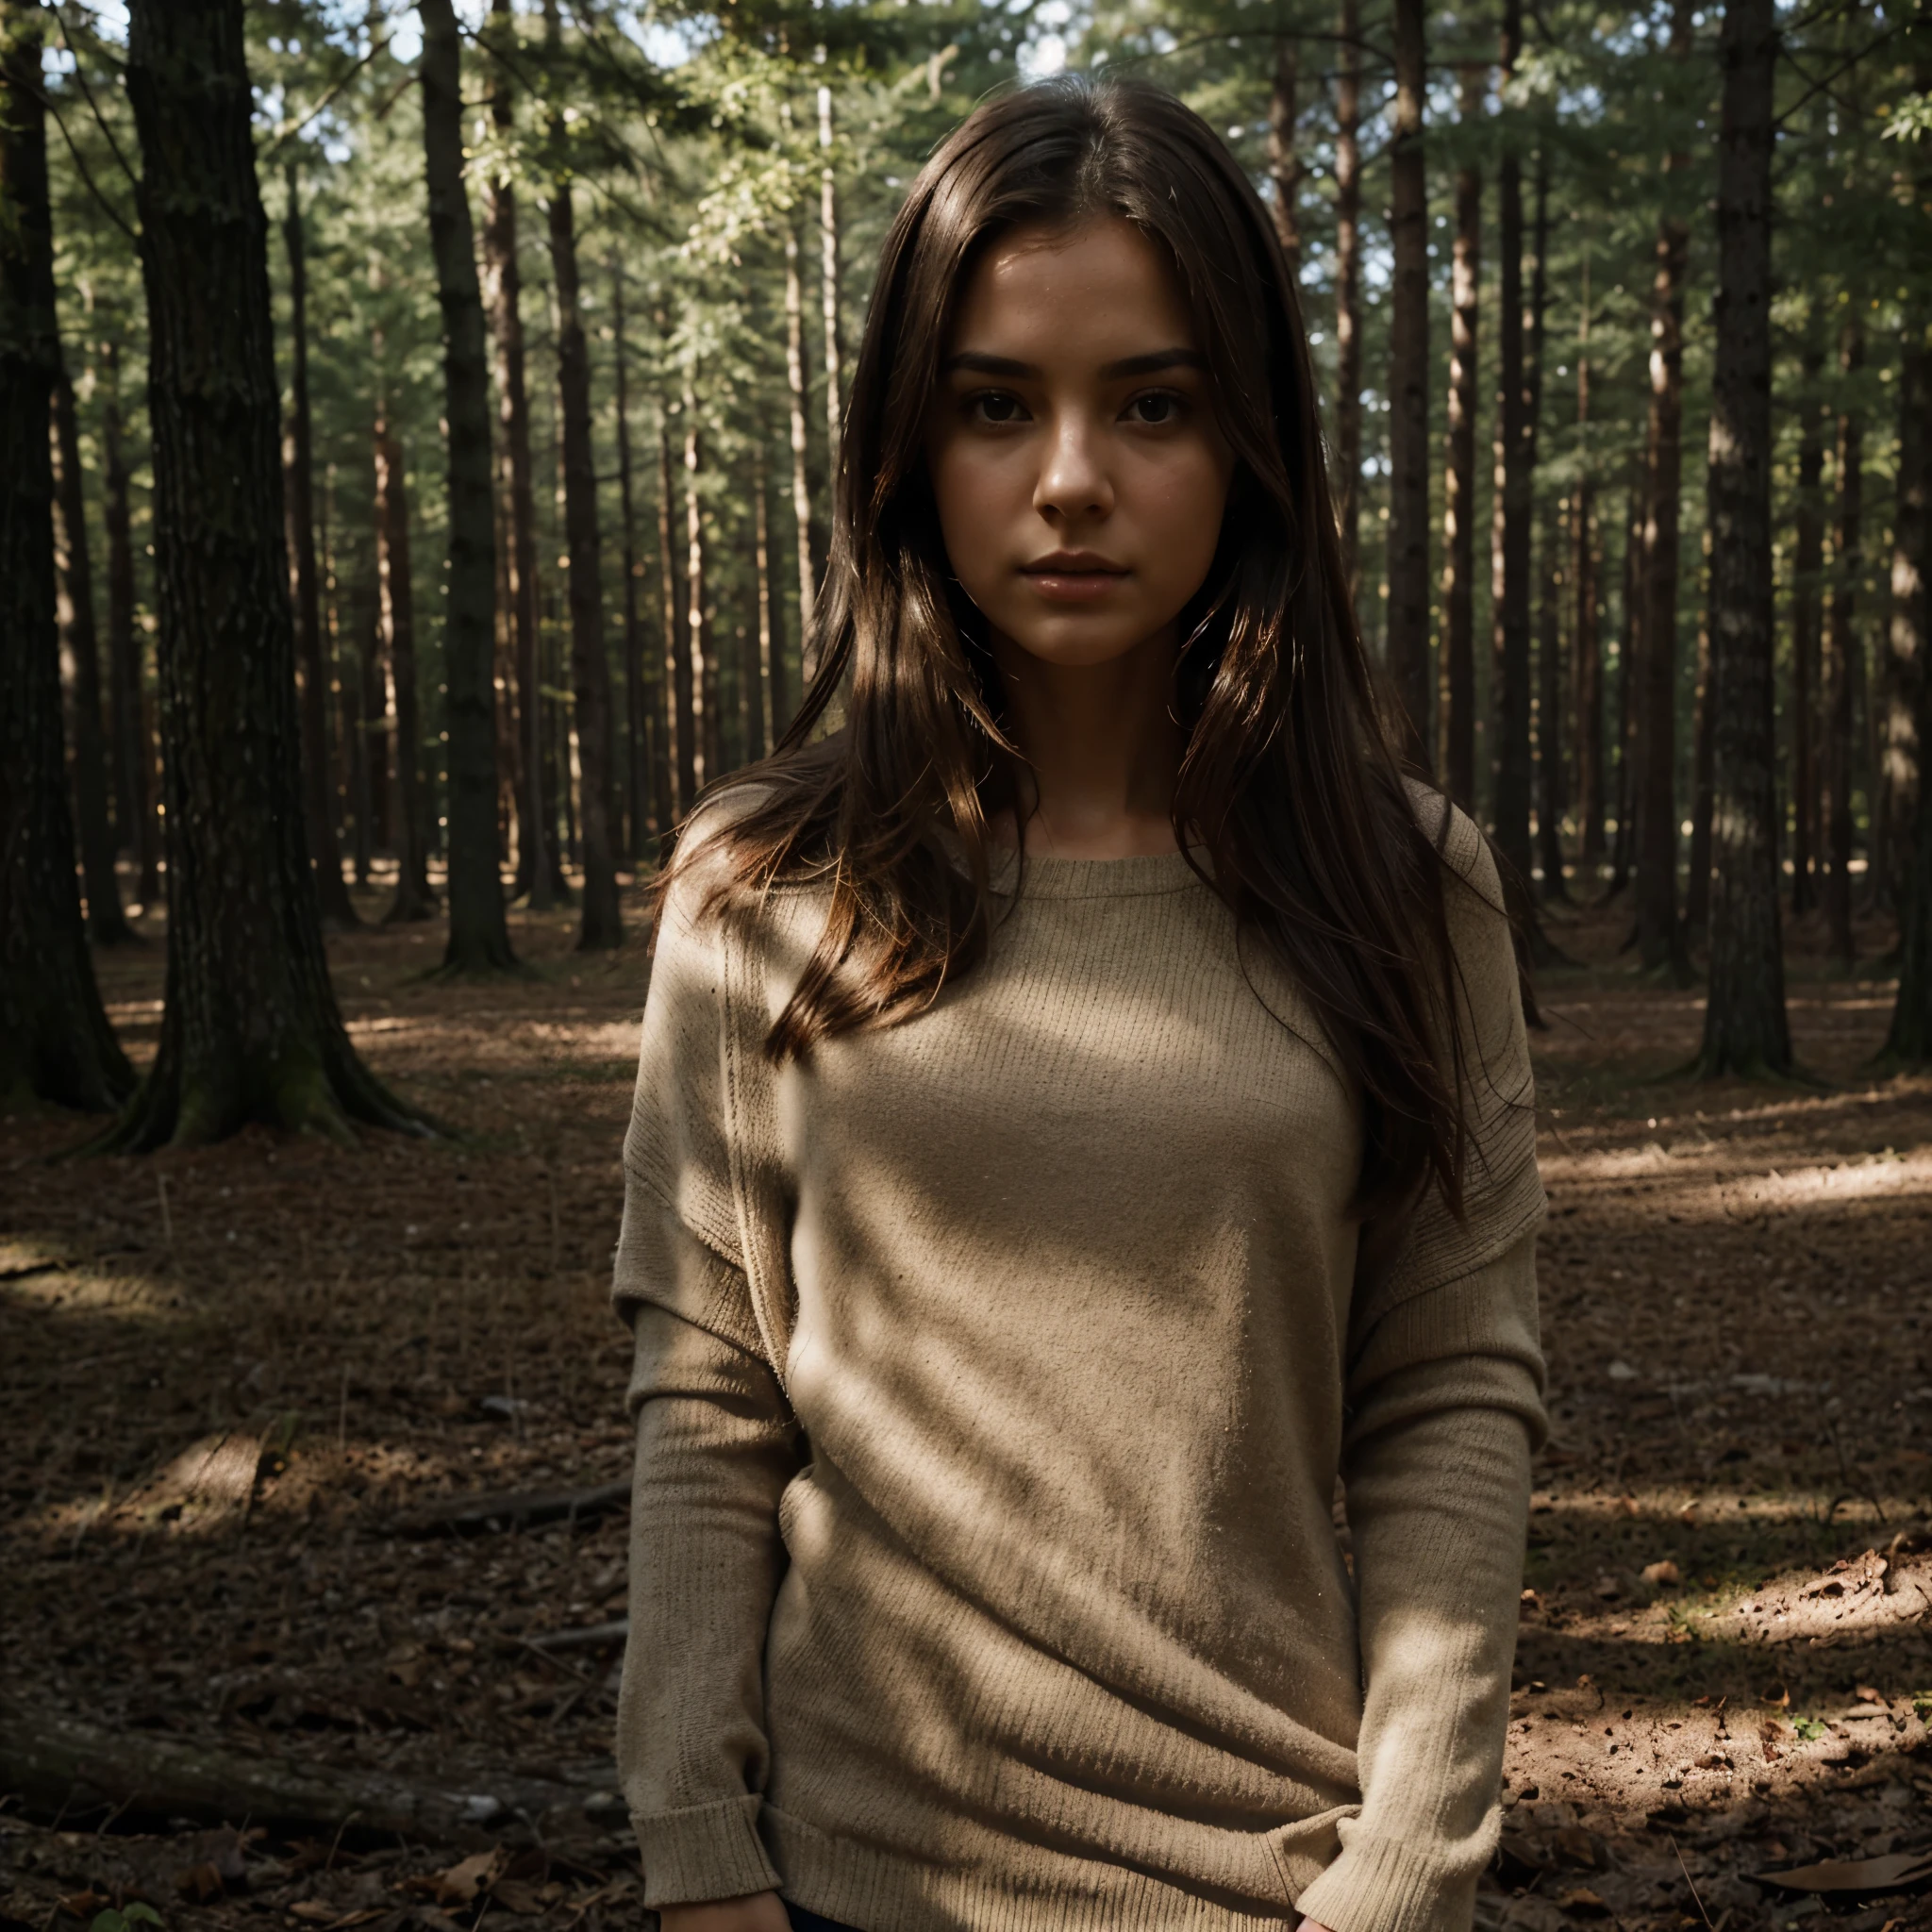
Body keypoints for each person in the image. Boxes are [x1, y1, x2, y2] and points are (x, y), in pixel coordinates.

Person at [612, 75, 1545, 1932]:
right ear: (907, 446)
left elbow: (1447, 1393)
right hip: (841, 1885)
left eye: (1151, 402)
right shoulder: (762, 884)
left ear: (1248, 443)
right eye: (992, 404)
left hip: (1269, 1887)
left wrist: (1403, 1875)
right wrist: (696, 1857)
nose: (1067, 478)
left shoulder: (1400, 881)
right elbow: (708, 1401)